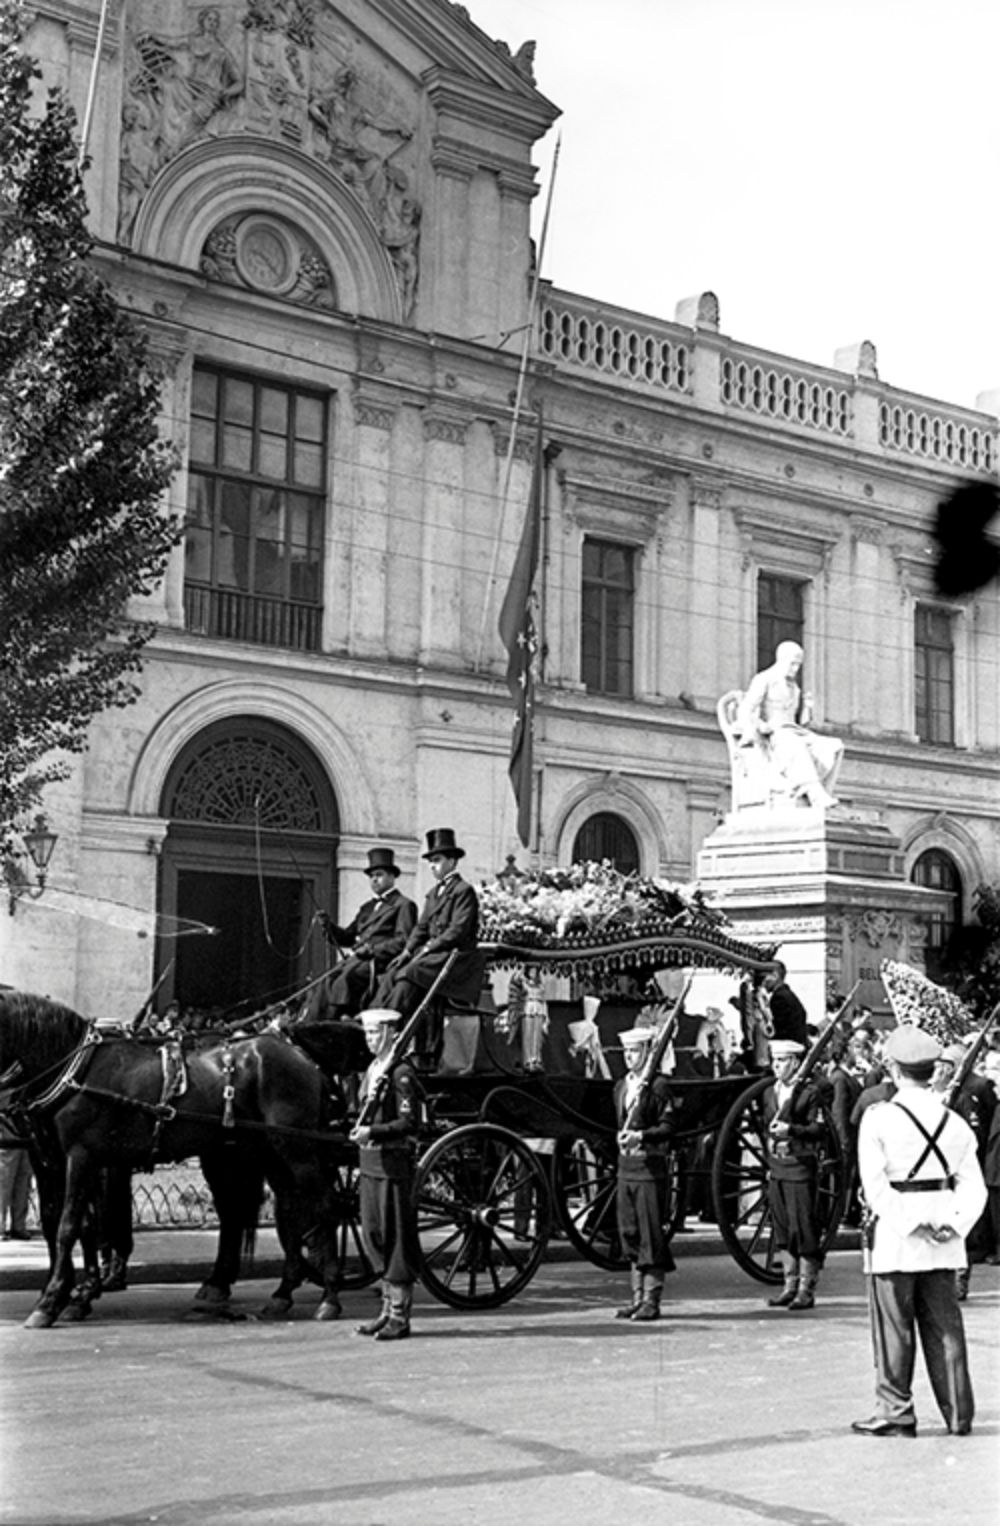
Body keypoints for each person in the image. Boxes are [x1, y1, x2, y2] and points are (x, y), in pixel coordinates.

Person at [853, 1025, 986, 1438]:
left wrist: (911, 1223)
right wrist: (953, 1223)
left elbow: (874, 1187)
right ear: (932, 1070)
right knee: (945, 1326)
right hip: (944, 1237)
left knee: (894, 1326)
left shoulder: (879, 1118)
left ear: (893, 1068)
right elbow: (973, 1186)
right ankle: (959, 1413)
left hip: (896, 1238)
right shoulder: (954, 1121)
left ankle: (895, 1411)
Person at [375, 828, 482, 1068]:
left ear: (452, 861)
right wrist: (406, 952)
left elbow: (458, 931)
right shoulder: (433, 894)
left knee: (412, 973)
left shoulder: (464, 892)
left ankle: (392, 1030)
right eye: (431, 861)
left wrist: (427, 949)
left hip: (456, 960)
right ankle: (378, 1022)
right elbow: (421, 927)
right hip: (435, 957)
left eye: (437, 860)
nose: (432, 866)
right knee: (395, 971)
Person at [350, 1008, 422, 1342]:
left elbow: (409, 1124)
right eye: (367, 1033)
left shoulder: (400, 1072)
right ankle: (384, 1309)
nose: (370, 1039)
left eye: (376, 1033)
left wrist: (373, 1131)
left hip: (393, 1166)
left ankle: (399, 1315)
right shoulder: (373, 1069)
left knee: (396, 1240)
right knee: (375, 1236)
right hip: (370, 1165)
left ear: (392, 1033)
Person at [613, 1025, 677, 1321]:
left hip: (649, 1168)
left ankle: (652, 1298)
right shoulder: (622, 1087)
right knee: (630, 1232)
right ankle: (636, 1297)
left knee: (651, 1234)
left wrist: (642, 1137)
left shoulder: (658, 1086)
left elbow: (667, 1129)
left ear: (647, 1053)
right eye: (626, 1051)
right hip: (627, 1169)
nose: (629, 1057)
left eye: (635, 1051)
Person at [737, 641, 844, 809]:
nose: (795, 669)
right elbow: (745, 710)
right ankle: (815, 795)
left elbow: (801, 723)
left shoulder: (794, 687)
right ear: (781, 660)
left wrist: (807, 707)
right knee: (792, 742)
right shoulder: (764, 679)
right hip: (774, 732)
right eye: (792, 664)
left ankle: (823, 792)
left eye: (798, 665)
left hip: (794, 730)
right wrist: (758, 725)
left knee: (835, 746)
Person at [762, 1038, 828, 1310]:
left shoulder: (809, 1093)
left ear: (796, 1063)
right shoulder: (770, 1092)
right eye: (775, 1061)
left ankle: (806, 1288)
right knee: (782, 1228)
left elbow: (818, 1130)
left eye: (783, 1061)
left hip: (799, 1165)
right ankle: (789, 1285)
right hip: (777, 1166)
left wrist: (791, 1131)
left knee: (803, 1227)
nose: (777, 1066)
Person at [315, 848, 417, 1021]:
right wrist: (329, 926)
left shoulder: (404, 905)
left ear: (392, 877)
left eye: (379, 874)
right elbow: (347, 936)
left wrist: (372, 950)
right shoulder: (366, 908)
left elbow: (403, 940)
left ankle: (339, 1020)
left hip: (380, 962)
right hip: (359, 960)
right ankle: (312, 1022)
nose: (374, 879)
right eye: (371, 876)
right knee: (328, 979)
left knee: (346, 979)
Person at [932, 1040, 996, 1298]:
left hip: (971, 1160)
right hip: (942, 1164)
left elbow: (988, 1120)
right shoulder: (939, 1091)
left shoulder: (978, 1086)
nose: (941, 1070)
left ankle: (961, 1277)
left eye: (947, 1065)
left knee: (965, 1223)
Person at [759, 962, 809, 1049]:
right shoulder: (788, 994)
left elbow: (777, 1030)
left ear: (775, 976)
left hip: (786, 1048)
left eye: (763, 977)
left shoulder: (779, 997)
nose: (762, 983)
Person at [0, 1132, 33, 1241]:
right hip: (6, 1137)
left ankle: (19, 1226)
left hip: (24, 1139)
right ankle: (1, 1227)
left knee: (23, 1186)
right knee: (3, 1186)